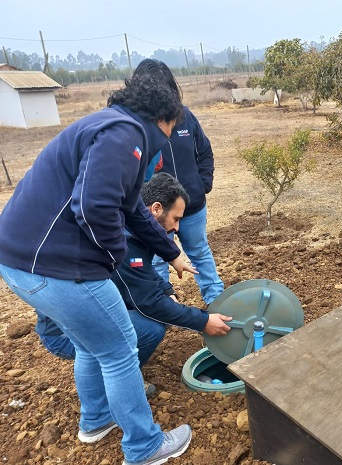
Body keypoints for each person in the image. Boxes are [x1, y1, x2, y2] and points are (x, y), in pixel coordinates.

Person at [0, 73, 196, 465]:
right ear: (160, 120)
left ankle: (95, 421)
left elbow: (131, 210)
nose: (167, 140)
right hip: (55, 268)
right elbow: (93, 208)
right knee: (120, 348)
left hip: (20, 263)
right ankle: (143, 447)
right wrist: (112, 258)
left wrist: (170, 252)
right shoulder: (124, 136)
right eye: (171, 130)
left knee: (94, 344)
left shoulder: (105, 126)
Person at [35, 173, 232, 389]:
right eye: (176, 219)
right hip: (63, 335)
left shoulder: (131, 227)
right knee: (151, 328)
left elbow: (143, 274)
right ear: (156, 209)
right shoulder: (124, 243)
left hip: (76, 317)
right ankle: (118, 384)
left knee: (153, 316)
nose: (177, 228)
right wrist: (203, 321)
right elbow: (149, 304)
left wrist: (166, 290)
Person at [134, 59, 225, 306]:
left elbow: (204, 151)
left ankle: (217, 300)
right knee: (156, 259)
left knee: (199, 252)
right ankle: (164, 304)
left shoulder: (187, 118)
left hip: (192, 206)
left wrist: (203, 183)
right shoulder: (137, 127)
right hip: (156, 211)